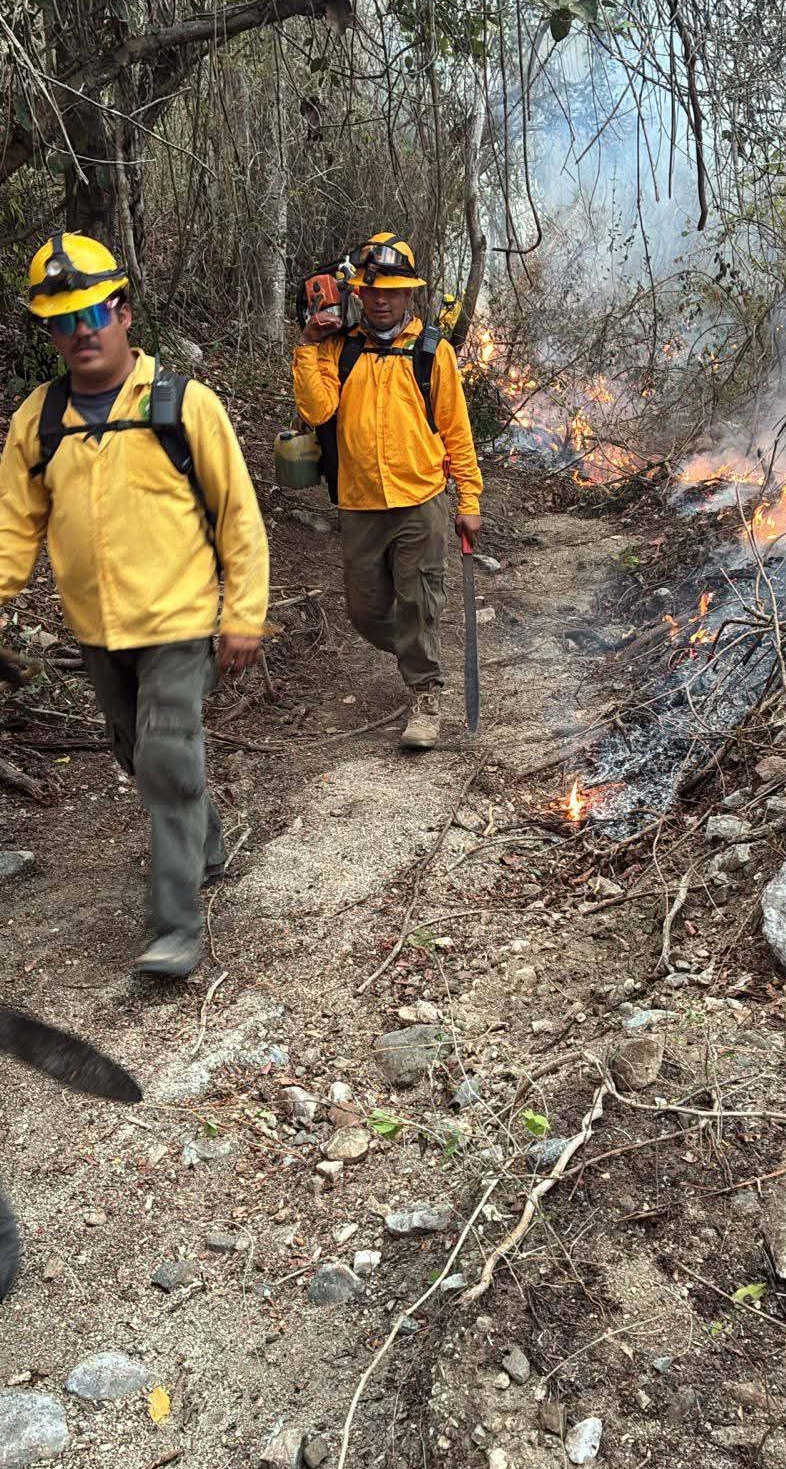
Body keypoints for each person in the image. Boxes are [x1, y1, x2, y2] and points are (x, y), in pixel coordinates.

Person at [0, 232, 269, 978]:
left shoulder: (183, 406)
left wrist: (243, 612)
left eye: (93, 312)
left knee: (164, 752)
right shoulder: (39, 421)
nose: (81, 331)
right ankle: (206, 843)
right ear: (49, 331)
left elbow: (238, 516)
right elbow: (11, 528)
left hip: (180, 621)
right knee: (138, 752)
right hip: (98, 630)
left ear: (123, 311)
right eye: (62, 320)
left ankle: (175, 929)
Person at [292, 232, 483, 750]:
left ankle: (425, 695)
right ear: (357, 292)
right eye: (372, 290)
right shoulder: (338, 349)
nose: (381, 299)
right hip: (358, 502)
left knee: (418, 598)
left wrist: (469, 500)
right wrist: (308, 344)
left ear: (409, 295)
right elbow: (316, 411)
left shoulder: (431, 353)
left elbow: (456, 430)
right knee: (365, 609)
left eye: (393, 291)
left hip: (420, 499)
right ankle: (417, 649)